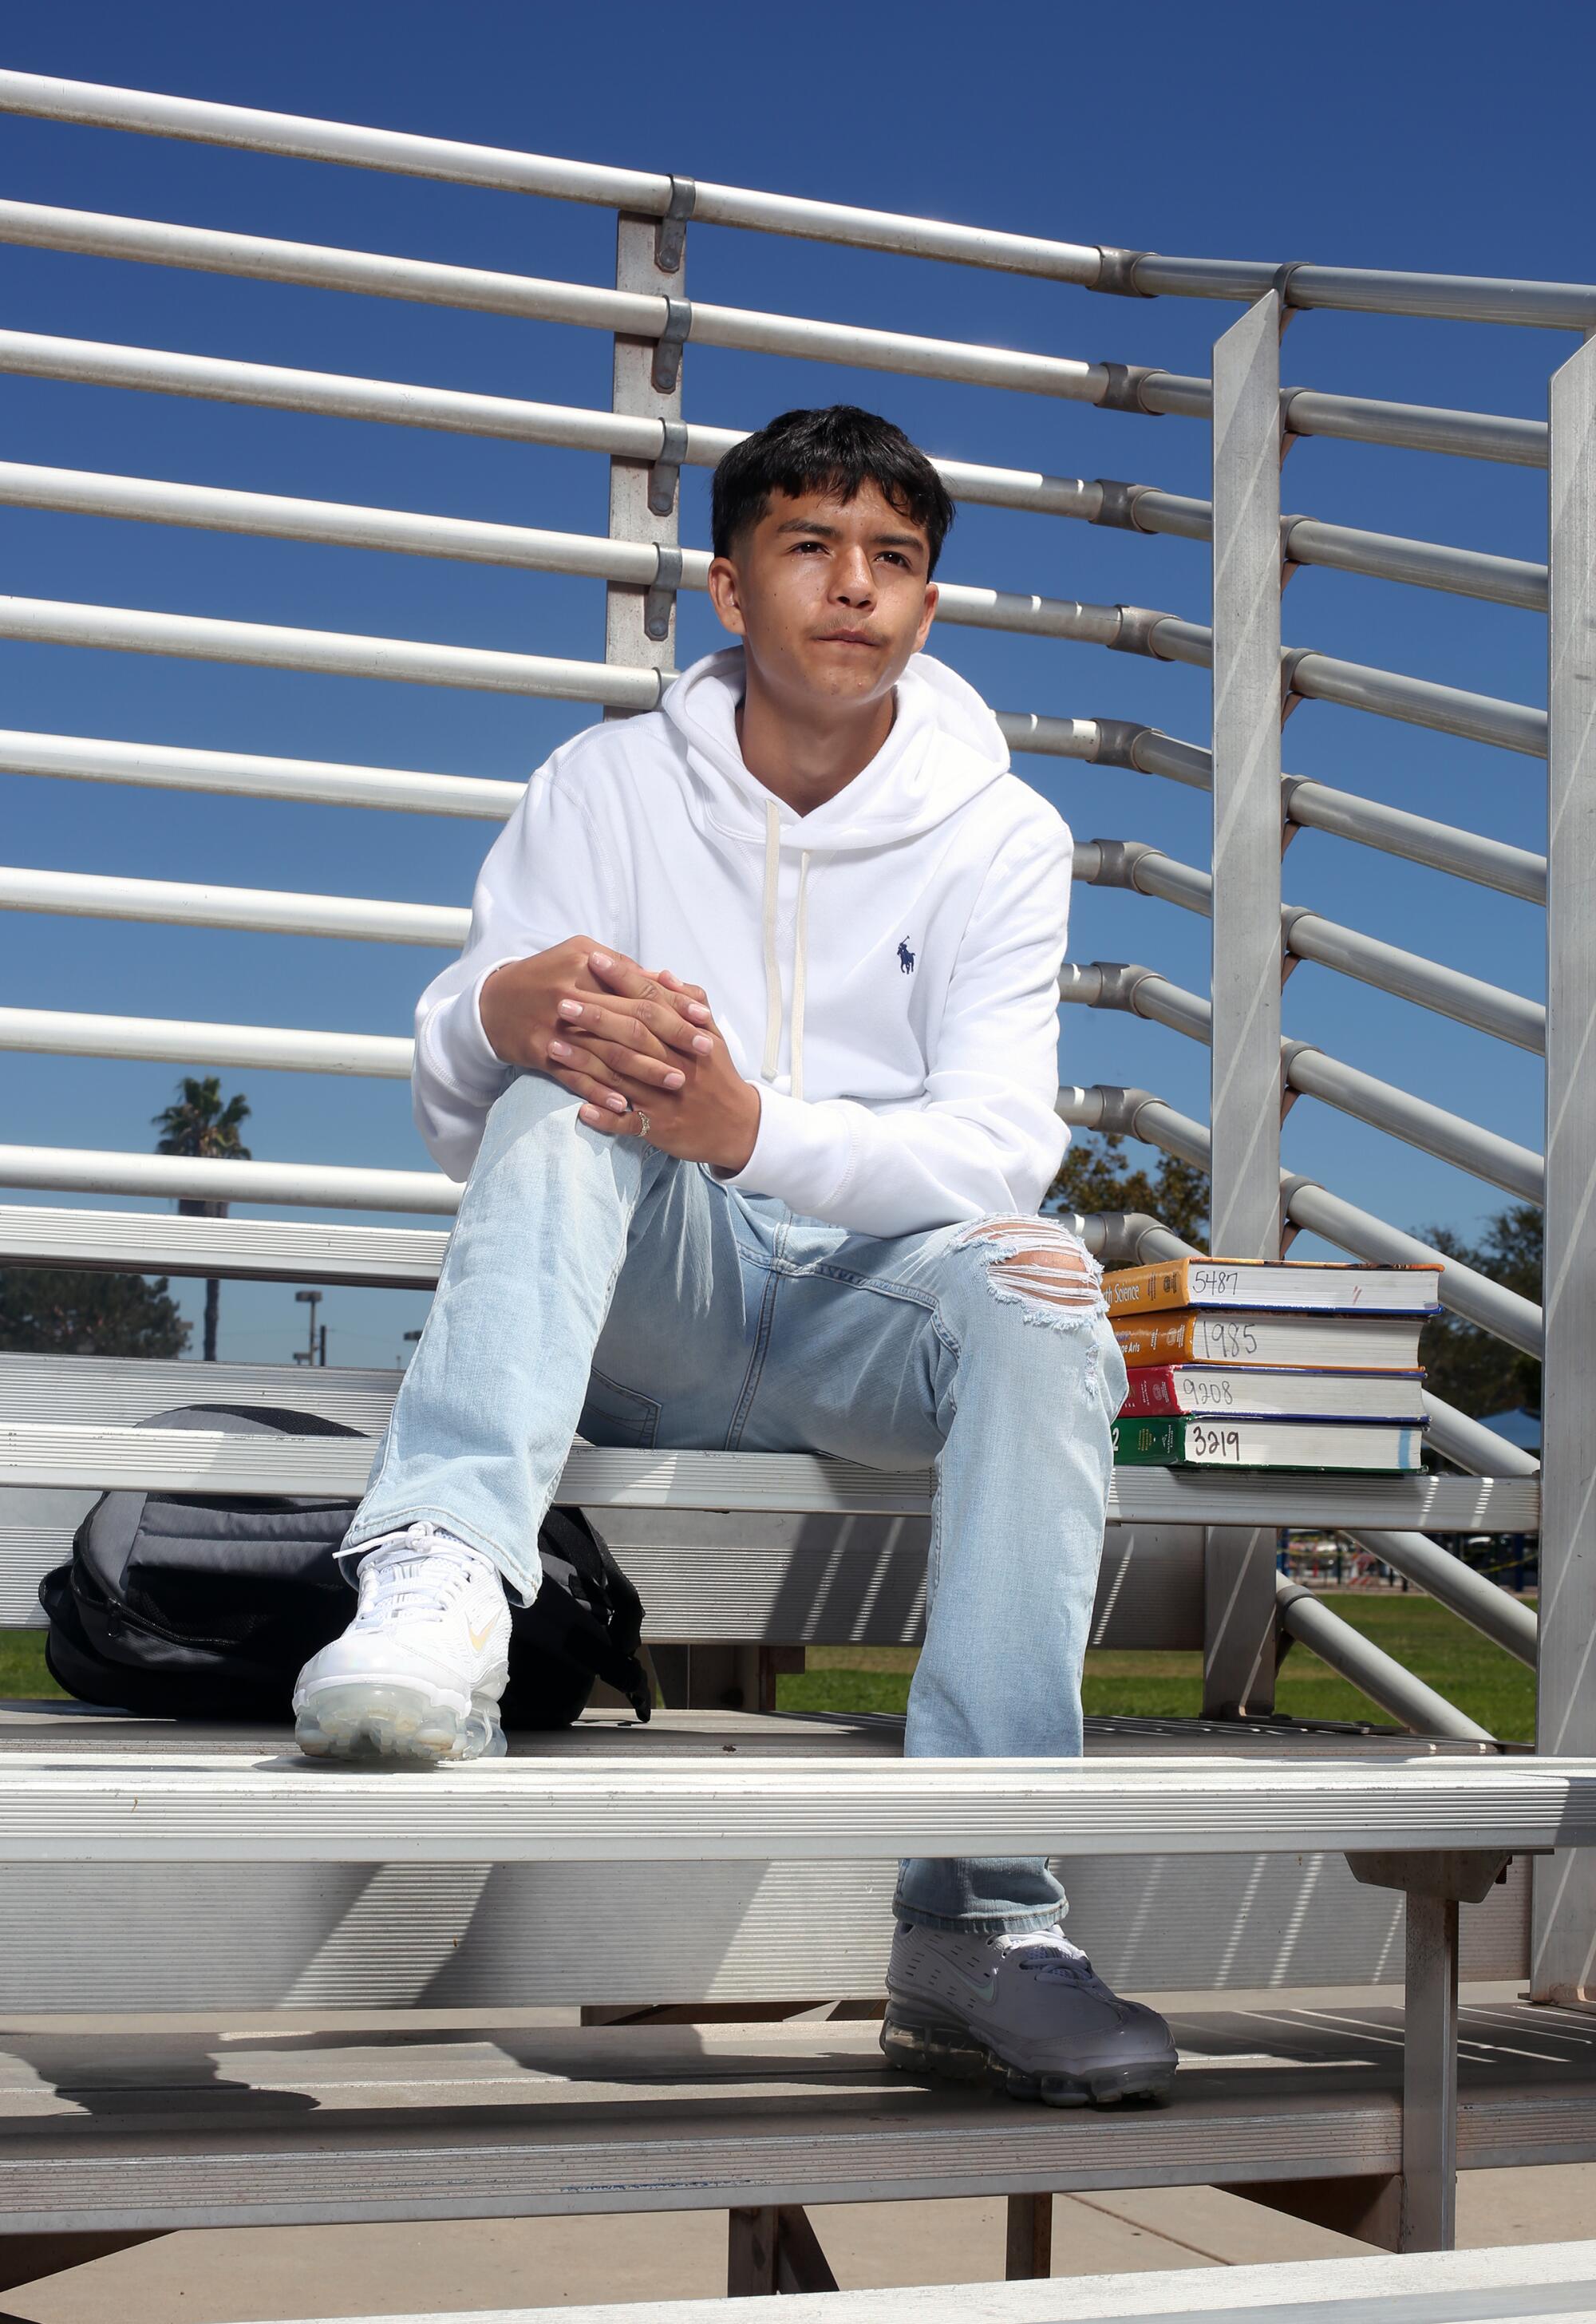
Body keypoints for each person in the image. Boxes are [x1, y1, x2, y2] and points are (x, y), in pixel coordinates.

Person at [292, 404, 1177, 2107]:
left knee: (1052, 1307)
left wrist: (747, 1126)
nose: (856, 588)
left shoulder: (1002, 836)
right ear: (725, 584)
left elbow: (995, 1143)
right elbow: (453, 1082)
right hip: (659, 1299)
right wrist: (503, 1011)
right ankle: (441, 1596)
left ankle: (984, 1918)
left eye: (896, 561)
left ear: (928, 605)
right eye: (810, 547)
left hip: (865, 1311)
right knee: (566, 1098)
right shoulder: (601, 786)